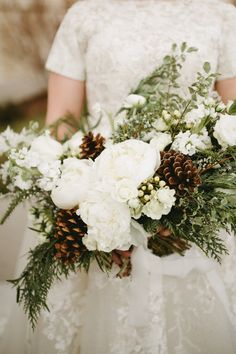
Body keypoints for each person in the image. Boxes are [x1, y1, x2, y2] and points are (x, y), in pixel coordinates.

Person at [1, 0, 236, 353]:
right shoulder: (86, 14)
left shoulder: (221, 14)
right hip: (100, 212)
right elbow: (60, 128)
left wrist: (186, 208)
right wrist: (95, 216)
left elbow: (231, 123)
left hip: (201, 206)